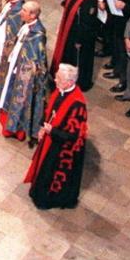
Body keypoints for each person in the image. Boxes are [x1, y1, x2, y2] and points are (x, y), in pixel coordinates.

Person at [25, 63, 89, 209]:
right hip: (51, 138)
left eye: (59, 79)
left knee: (50, 173)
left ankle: (47, 200)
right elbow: (50, 111)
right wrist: (43, 127)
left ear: (70, 82)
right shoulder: (60, 91)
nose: (55, 80)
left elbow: (73, 136)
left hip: (63, 150)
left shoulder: (77, 104)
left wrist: (52, 131)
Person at [0, 3, 48, 141]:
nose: (20, 13)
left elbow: (35, 57)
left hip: (25, 73)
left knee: (21, 97)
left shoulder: (38, 35)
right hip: (16, 64)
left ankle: (16, 127)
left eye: (24, 11)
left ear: (33, 15)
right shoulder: (26, 25)